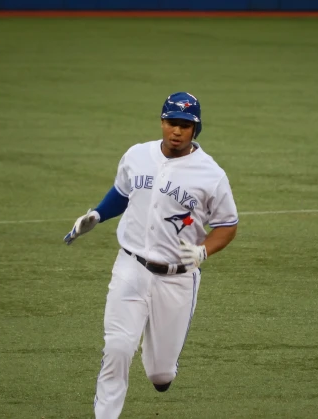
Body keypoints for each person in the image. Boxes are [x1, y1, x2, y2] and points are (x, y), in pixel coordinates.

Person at [63, 92, 239, 419]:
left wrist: (203, 250)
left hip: (177, 278)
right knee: (117, 349)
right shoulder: (137, 155)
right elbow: (122, 193)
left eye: (185, 126)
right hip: (131, 267)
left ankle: (156, 351)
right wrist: (98, 216)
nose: (177, 131)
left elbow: (228, 225)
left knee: (161, 376)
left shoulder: (211, 174)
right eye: (172, 123)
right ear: (162, 121)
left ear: (195, 130)